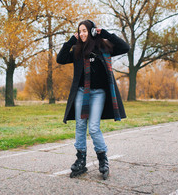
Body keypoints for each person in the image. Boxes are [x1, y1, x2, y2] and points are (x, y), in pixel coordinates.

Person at [56, 20, 130, 179]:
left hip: (98, 93)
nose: (82, 34)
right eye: (80, 31)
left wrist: (105, 33)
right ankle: (80, 160)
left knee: (94, 127)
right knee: (80, 125)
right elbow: (60, 59)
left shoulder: (103, 47)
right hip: (81, 92)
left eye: (85, 31)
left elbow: (125, 47)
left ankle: (103, 159)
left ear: (92, 31)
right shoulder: (77, 50)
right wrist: (70, 41)